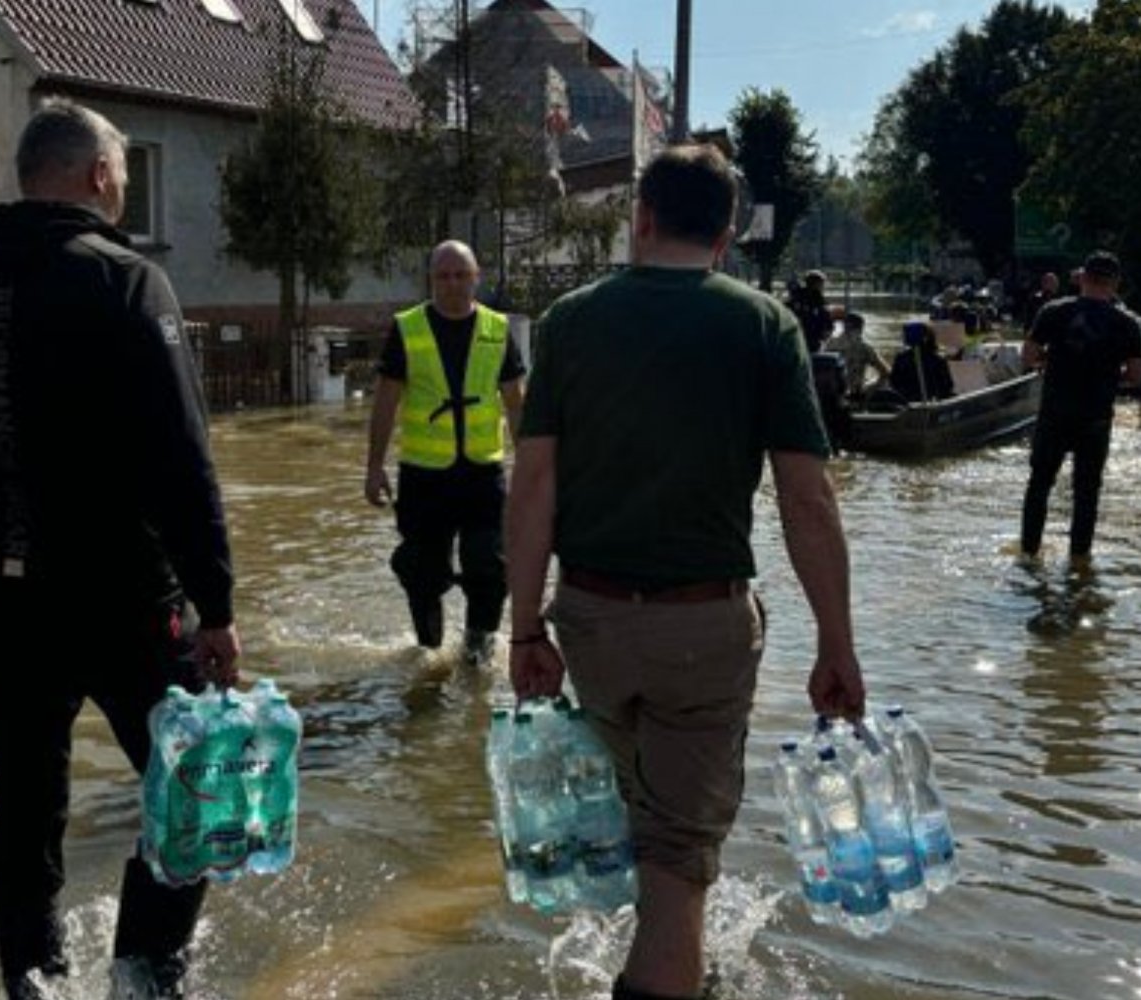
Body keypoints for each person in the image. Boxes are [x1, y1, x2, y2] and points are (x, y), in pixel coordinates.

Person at [506, 144, 866, 1000]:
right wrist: (837, 643)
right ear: (729, 233)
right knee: (676, 860)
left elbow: (533, 489)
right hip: (703, 630)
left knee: (638, 819)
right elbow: (806, 500)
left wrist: (524, 627)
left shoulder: (568, 323)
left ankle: (659, 958)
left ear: (641, 216)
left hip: (589, 621)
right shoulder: (762, 324)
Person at [0, 100, 240, 1000]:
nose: (125, 186)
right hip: (128, 600)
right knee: (195, 794)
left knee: (24, 814)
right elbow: (183, 456)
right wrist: (217, 602)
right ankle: (142, 979)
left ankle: (35, 984)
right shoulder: (127, 282)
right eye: (122, 173)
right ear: (97, 176)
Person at [364, 241, 526, 662]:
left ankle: (479, 651)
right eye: (443, 276)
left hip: (482, 476)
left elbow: (515, 406)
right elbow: (385, 403)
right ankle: (428, 653)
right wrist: (374, 466)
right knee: (423, 571)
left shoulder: (497, 329)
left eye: (461, 275)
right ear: (431, 280)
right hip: (424, 477)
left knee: (490, 567)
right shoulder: (408, 328)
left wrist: (531, 471)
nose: (452, 284)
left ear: (476, 278)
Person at [1019, 250, 1141, 562]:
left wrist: (1050, 360)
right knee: (1086, 494)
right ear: (1115, 283)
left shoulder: (1052, 311)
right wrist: (1110, 374)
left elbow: (1028, 356)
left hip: (1054, 414)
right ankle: (1079, 562)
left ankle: (1028, 554)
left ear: (1082, 278)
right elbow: (1136, 375)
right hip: (1096, 418)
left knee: (1039, 486)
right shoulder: (1126, 324)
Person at [822, 311, 889, 399]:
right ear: (861, 329)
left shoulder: (830, 344)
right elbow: (885, 373)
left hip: (833, 395)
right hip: (856, 394)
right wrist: (868, 386)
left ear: (844, 327)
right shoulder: (865, 348)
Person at [888, 322, 956, 401]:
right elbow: (948, 386)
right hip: (931, 402)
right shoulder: (938, 360)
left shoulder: (900, 358)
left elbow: (893, 383)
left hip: (905, 402)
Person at [789, 268, 833, 353]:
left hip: (795, 340)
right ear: (817, 284)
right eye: (821, 284)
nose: (822, 287)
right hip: (811, 340)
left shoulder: (796, 297)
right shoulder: (817, 301)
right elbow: (826, 323)